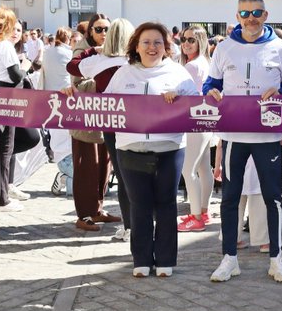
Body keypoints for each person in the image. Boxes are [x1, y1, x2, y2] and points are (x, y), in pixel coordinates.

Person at [204, 0, 282, 284]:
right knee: (230, 198)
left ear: (266, 15)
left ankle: (277, 259)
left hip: (268, 136)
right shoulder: (224, 48)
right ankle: (229, 258)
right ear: (237, 16)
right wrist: (211, 93)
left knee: (273, 198)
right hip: (234, 135)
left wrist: (280, 95)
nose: (251, 18)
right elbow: (211, 84)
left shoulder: (281, 49)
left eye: (256, 12)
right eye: (245, 13)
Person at [104, 23, 198, 277]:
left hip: (169, 147)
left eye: (157, 42)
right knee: (139, 205)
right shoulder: (123, 73)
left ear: (166, 46)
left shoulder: (178, 73)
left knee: (167, 203)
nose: (152, 47)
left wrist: (179, 97)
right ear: (136, 45)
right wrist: (73, 93)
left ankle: (166, 259)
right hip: (130, 148)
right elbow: (104, 106)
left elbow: (198, 106)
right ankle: (141, 260)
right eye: (146, 42)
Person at [67, 16, 129, 234]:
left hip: (106, 119)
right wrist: (105, 80)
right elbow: (77, 83)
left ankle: (97, 209)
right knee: (86, 167)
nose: (103, 33)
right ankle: (84, 214)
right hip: (85, 119)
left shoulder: (110, 53)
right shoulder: (84, 50)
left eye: (107, 29)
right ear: (90, 31)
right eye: (99, 29)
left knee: (104, 166)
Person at [177, 26, 213, 232]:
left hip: (194, 118)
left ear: (200, 41)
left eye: (191, 39)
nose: (186, 43)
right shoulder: (205, 63)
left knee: (188, 169)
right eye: (184, 39)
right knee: (202, 168)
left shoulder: (191, 67)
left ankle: (197, 216)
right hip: (206, 119)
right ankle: (202, 212)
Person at [0, 6, 29, 212]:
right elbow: (16, 76)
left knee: (0, 146)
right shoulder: (5, 47)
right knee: (6, 146)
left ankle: (0, 194)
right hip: (8, 96)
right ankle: (2, 198)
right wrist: (25, 66)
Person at [40, 26, 73, 91]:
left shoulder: (46, 52)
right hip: (65, 91)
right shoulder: (70, 53)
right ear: (68, 38)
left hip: (48, 91)